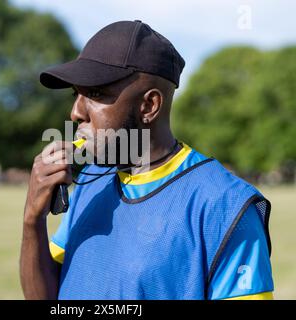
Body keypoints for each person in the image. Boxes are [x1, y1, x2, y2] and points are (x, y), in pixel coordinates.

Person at [19, 20, 274, 300]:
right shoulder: (92, 182)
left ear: (149, 105)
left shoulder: (226, 205)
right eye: (75, 94)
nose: (75, 113)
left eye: (95, 93)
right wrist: (33, 220)